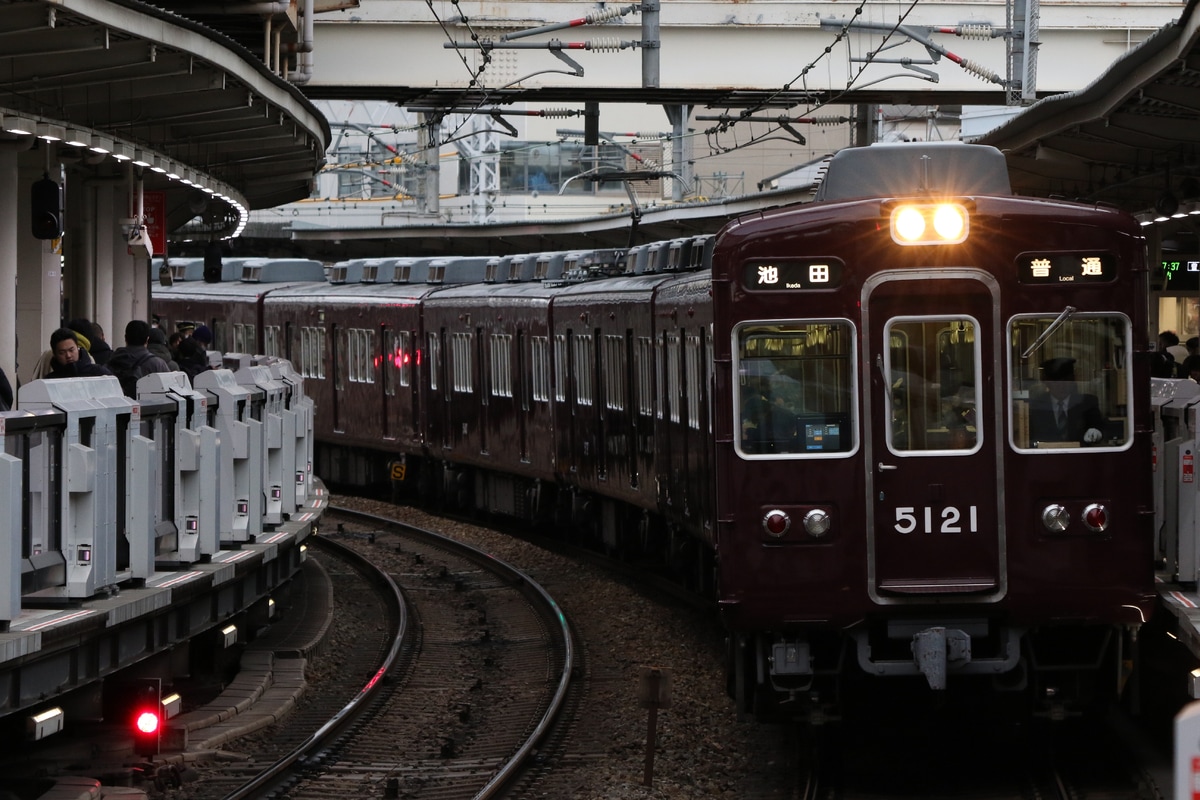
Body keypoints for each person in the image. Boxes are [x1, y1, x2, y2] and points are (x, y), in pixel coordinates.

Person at [1029, 357, 1107, 446]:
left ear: (1073, 381)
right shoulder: (1037, 404)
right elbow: (1031, 436)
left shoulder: (1087, 402)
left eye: (1066, 382)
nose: (1061, 387)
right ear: (1047, 383)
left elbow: (1100, 426)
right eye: (1056, 383)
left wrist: (1096, 432)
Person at [107, 319, 171, 396]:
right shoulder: (157, 364)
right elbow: (169, 392)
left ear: (125, 338)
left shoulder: (112, 359)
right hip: (147, 407)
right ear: (147, 339)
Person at [45, 328, 112, 379]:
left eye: (71, 350)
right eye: (62, 352)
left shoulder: (99, 374)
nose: (68, 355)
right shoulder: (50, 380)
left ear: (77, 348)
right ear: (55, 354)